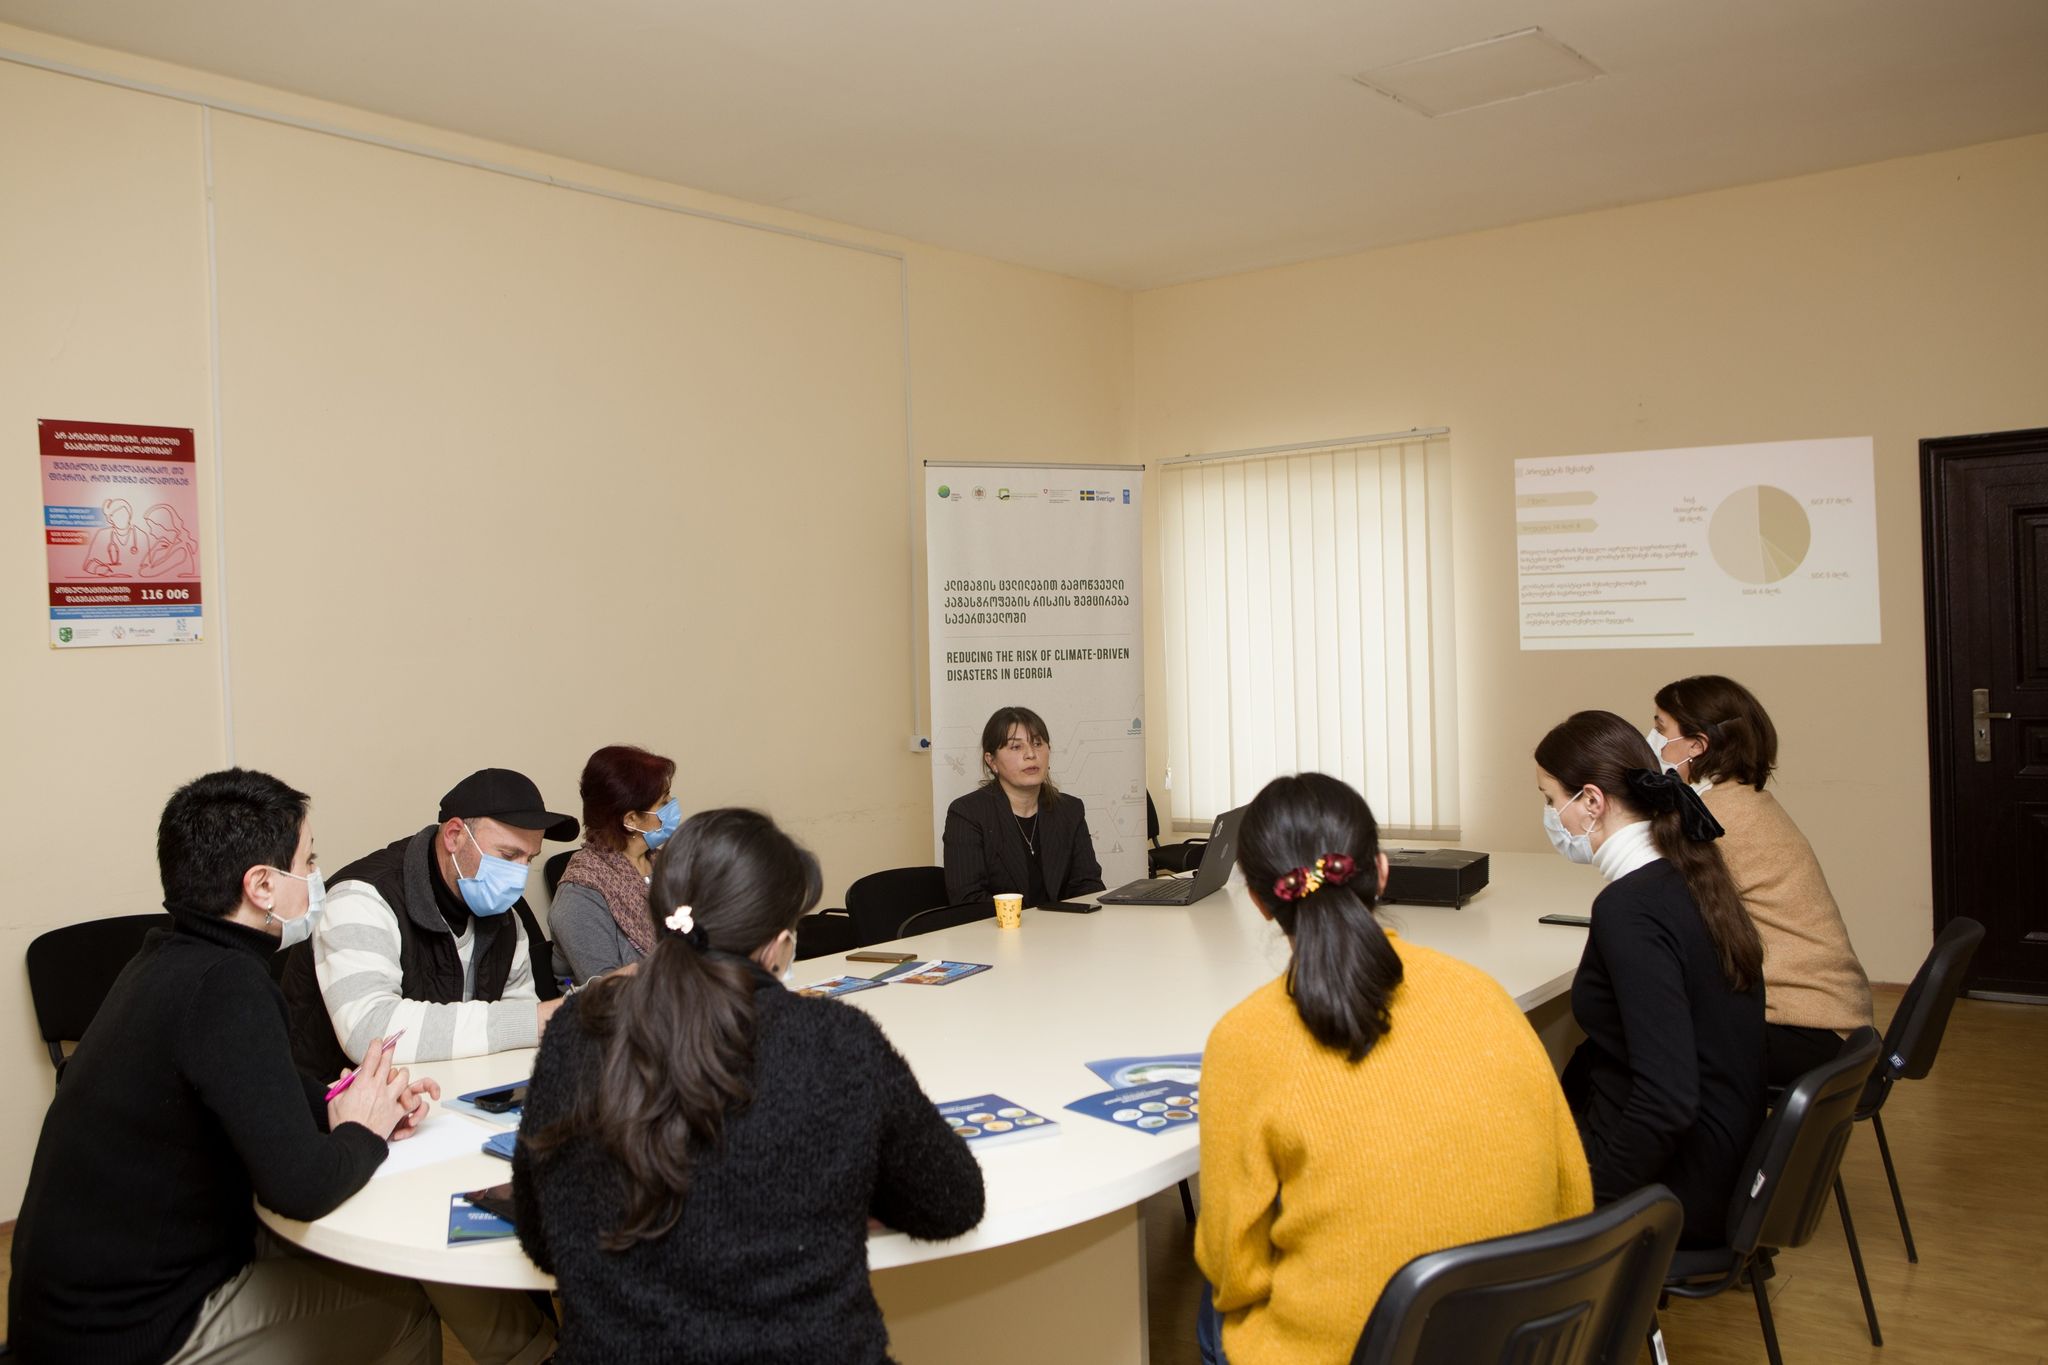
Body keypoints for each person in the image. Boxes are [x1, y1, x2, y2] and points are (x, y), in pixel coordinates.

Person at [513, 807, 985, 1363]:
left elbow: (545, 1242)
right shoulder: (835, 1040)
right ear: (779, 943)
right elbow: (951, 1203)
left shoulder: (577, 1030)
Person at [9, 769, 443, 1364]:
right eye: (308, 861)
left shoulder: (164, 957)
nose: (316, 876)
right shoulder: (228, 985)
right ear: (262, 884)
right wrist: (363, 1131)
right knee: (407, 1306)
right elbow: (303, 1188)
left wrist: (351, 1101)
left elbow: (256, 1087)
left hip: (69, 1315)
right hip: (133, 1335)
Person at [1195, 773, 1592, 1365]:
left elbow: (1235, 1271)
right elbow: (1572, 1193)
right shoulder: (1485, 995)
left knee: (1209, 1313)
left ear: (1257, 901)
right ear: (1381, 873)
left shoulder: (1243, 1040)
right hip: (1523, 1339)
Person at [1535, 710, 1766, 1246]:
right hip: (1724, 1157)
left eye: (1551, 799)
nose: (1551, 815)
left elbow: (1665, 1099)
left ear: (1591, 801)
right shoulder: (1690, 872)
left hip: (1679, 1189)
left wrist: (1594, 1209)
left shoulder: (1631, 910)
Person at [1650, 675, 1873, 1086]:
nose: (1653, 740)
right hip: (1834, 1019)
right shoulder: (1741, 799)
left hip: (1802, 1025)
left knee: (1627, 1052)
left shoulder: (1715, 818)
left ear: (1697, 745)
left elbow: (1654, 906)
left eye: (1660, 728)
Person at [284, 767, 577, 1080]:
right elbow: (368, 1031)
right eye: (507, 856)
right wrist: (535, 1021)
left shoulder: (506, 919)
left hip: (448, 1093)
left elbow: (519, 1032)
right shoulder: (360, 898)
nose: (519, 875)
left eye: (529, 859)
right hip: (333, 1100)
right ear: (454, 836)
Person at [943, 705, 1105, 908]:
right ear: (992, 761)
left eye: (1037, 743)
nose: (1030, 754)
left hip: (1064, 925)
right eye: (1016, 747)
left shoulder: (1069, 810)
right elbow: (968, 900)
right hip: (999, 927)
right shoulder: (968, 814)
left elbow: (1088, 886)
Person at [548, 744, 679, 984]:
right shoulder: (580, 894)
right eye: (663, 802)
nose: (673, 805)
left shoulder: (665, 864)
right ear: (631, 820)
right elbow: (607, 991)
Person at [139, 502, 200, 578]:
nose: (150, 531)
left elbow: (146, 572)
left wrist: (153, 552)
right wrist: (154, 550)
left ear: (165, 526)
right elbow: (144, 565)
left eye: (152, 527)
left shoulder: (181, 549)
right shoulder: (170, 545)